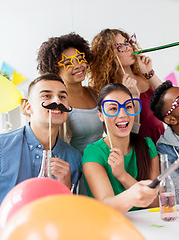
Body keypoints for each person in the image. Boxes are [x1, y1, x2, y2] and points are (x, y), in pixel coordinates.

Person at [0, 74, 82, 238]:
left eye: (63, 96)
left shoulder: (74, 158)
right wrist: (15, 211)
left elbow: (73, 220)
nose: (58, 100)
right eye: (47, 95)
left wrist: (65, 191)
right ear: (28, 107)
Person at [82, 83, 159, 213]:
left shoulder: (147, 145)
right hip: (113, 227)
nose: (122, 114)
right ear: (101, 115)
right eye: (113, 108)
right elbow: (106, 206)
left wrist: (123, 175)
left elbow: (156, 203)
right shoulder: (94, 153)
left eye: (128, 107)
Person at [89, 29, 164, 144]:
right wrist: (134, 97)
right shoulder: (112, 91)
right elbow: (132, 131)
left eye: (127, 42)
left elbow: (169, 99)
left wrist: (149, 72)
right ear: (110, 56)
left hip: (163, 140)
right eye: (121, 46)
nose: (129, 48)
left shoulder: (144, 76)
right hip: (141, 146)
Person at [37, 32, 103, 155]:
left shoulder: (95, 92)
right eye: (67, 63)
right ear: (54, 69)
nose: (77, 66)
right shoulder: (56, 103)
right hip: (74, 170)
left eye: (79, 59)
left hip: (101, 164)